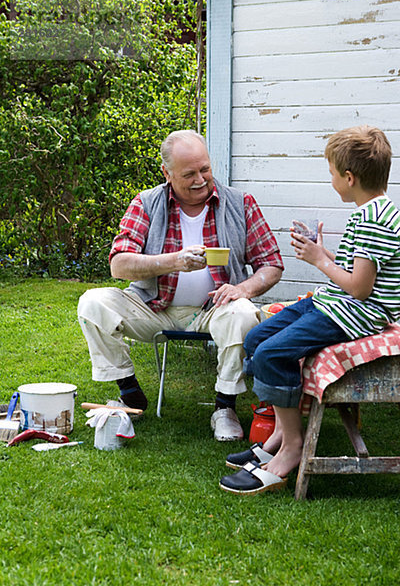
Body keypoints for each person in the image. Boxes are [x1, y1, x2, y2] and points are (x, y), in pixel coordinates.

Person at [220, 125, 400, 493]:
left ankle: (292, 448)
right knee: (256, 339)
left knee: (271, 355)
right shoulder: (375, 210)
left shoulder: (372, 220)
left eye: (332, 172)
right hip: (332, 302)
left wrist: (319, 260)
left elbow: (361, 289)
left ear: (349, 178)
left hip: (352, 315)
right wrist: (324, 252)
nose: (331, 179)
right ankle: (282, 438)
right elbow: (356, 272)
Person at [78, 129, 283, 441]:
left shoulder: (240, 203)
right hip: (154, 307)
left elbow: (271, 262)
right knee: (92, 303)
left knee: (242, 312)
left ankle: (224, 407)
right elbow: (118, 264)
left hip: (215, 309)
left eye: (205, 169)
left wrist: (244, 289)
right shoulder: (146, 203)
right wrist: (173, 261)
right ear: (167, 173)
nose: (200, 179)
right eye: (189, 174)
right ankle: (130, 393)